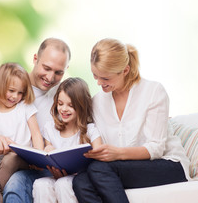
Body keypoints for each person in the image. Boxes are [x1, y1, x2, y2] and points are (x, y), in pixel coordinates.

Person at [72, 38, 191, 203]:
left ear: (125, 70)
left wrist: (117, 153)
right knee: (80, 182)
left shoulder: (153, 91)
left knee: (99, 169)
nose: (99, 83)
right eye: (95, 76)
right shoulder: (97, 101)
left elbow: (156, 148)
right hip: (119, 167)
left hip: (168, 164)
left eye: (105, 78)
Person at [0, 38, 71, 203]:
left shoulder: (64, 98)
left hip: (34, 169)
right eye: (46, 68)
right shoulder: (4, 90)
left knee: (15, 182)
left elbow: (76, 136)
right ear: (35, 59)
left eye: (59, 72)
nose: (50, 77)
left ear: (66, 70)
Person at [32, 77, 102, 203]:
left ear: (81, 106)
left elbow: (99, 160)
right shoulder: (50, 129)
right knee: (40, 184)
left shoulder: (90, 131)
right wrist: (47, 149)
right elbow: (48, 156)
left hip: (80, 179)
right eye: (60, 103)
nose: (64, 109)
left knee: (63, 184)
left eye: (71, 105)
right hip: (56, 176)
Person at [0, 62, 44, 203]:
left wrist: (39, 157)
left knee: (11, 159)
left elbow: (36, 134)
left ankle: (4, 190)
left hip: (22, 158)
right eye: (11, 90)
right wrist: (3, 144)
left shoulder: (25, 107)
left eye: (20, 92)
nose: (15, 96)